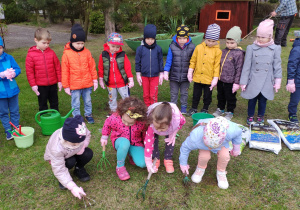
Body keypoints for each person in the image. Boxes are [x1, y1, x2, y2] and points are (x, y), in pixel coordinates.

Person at [179, 117, 242, 189]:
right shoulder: (195, 136)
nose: (210, 148)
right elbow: (185, 148)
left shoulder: (232, 131)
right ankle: (200, 168)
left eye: (212, 147)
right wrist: (183, 164)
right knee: (204, 156)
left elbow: (238, 136)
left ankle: (221, 172)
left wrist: (236, 149)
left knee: (224, 156)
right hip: (202, 143)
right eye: (208, 146)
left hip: (222, 144)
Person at [240, 19, 282, 125]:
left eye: (262, 37)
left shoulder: (275, 49)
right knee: (252, 98)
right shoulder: (251, 48)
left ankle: (260, 116)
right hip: (253, 79)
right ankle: (250, 115)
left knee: (263, 100)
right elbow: (246, 67)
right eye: (258, 36)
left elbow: (277, 66)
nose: (259, 39)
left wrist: (277, 81)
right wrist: (243, 81)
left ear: (269, 37)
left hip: (267, 80)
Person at [44, 115, 93, 199]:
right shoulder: (56, 148)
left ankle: (78, 169)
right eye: (74, 144)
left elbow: (87, 135)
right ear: (65, 139)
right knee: (70, 161)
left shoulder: (81, 129)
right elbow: (59, 169)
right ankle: (64, 180)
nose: (77, 145)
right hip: (62, 156)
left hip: (72, 152)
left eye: (79, 142)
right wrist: (72, 186)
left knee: (88, 153)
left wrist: (83, 145)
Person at [100, 97, 148, 180]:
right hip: (120, 141)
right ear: (122, 112)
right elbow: (107, 124)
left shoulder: (141, 123)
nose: (126, 124)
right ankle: (120, 166)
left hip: (135, 143)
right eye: (124, 121)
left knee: (143, 163)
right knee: (125, 143)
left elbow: (144, 134)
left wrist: (146, 145)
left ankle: (131, 154)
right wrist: (104, 136)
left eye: (130, 123)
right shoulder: (115, 118)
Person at [61, 24, 98, 124]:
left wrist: (95, 80)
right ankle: (77, 117)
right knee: (75, 103)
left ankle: (88, 114)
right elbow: (64, 71)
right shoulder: (67, 54)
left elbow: (92, 67)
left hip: (87, 83)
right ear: (72, 42)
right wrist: (66, 86)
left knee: (88, 101)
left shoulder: (87, 52)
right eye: (77, 43)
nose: (80, 45)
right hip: (74, 85)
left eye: (82, 43)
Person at [187, 24, 222, 116]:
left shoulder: (218, 51)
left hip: (209, 78)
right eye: (208, 40)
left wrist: (215, 78)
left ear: (216, 41)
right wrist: (190, 71)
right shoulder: (198, 48)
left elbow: (217, 65)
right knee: (196, 94)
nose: (210, 43)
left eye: (213, 41)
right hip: (198, 76)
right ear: (205, 38)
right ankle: (194, 107)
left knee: (207, 95)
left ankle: (205, 108)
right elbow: (193, 60)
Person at [213, 26, 245, 120]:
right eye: (227, 42)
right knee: (220, 95)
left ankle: (230, 111)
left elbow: (239, 68)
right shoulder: (223, 51)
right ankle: (220, 108)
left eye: (232, 43)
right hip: (221, 79)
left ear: (237, 42)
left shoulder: (239, 54)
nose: (229, 45)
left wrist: (236, 82)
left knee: (230, 96)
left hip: (231, 81)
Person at [25, 28, 62, 111]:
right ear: (36, 40)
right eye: (44, 43)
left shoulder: (51, 53)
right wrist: (33, 85)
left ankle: (55, 118)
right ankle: (44, 119)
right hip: (40, 85)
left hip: (52, 84)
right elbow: (29, 72)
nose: (46, 45)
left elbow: (57, 67)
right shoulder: (31, 55)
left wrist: (60, 81)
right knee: (42, 103)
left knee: (54, 102)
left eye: (48, 43)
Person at [144, 102, 185, 174]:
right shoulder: (151, 124)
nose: (159, 130)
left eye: (162, 128)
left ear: (169, 123)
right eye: (157, 127)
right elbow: (148, 144)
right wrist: (148, 162)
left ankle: (168, 158)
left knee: (170, 140)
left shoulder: (177, 120)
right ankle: (155, 158)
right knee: (153, 141)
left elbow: (182, 123)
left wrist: (174, 133)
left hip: (171, 129)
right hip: (156, 125)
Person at [99, 32, 134, 115]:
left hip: (122, 83)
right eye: (113, 46)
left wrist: (131, 79)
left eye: (117, 47)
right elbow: (101, 68)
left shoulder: (122, 55)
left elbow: (127, 67)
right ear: (108, 44)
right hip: (110, 84)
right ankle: (113, 111)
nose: (115, 49)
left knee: (126, 97)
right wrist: (101, 79)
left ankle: (128, 110)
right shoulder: (103, 55)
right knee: (112, 98)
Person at [163, 25, 195, 114]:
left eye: (184, 38)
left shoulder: (192, 47)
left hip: (185, 76)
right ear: (177, 37)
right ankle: (173, 108)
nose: (182, 40)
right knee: (174, 93)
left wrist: (192, 73)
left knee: (184, 93)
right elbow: (169, 60)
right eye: (180, 38)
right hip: (174, 76)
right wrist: (166, 71)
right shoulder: (172, 46)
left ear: (187, 37)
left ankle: (183, 108)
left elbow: (194, 61)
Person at [135, 24, 164, 107]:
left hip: (155, 76)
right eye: (148, 39)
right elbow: (137, 62)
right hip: (144, 75)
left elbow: (160, 61)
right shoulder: (140, 49)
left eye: (152, 39)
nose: (150, 41)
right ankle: (147, 107)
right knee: (146, 94)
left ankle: (154, 107)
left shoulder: (158, 49)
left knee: (153, 94)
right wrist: (138, 74)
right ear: (144, 38)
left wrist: (161, 73)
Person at [0, 36, 21, 140]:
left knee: (14, 110)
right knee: (3, 112)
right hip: (1, 93)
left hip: (13, 90)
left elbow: (17, 68)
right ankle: (8, 130)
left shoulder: (9, 58)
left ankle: (15, 128)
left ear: (2, 47)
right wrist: (1, 75)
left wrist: (14, 73)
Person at [286, 31, 300, 123]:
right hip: (298, 80)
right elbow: (292, 65)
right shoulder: (297, 49)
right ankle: (292, 113)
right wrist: (291, 80)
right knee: (295, 98)